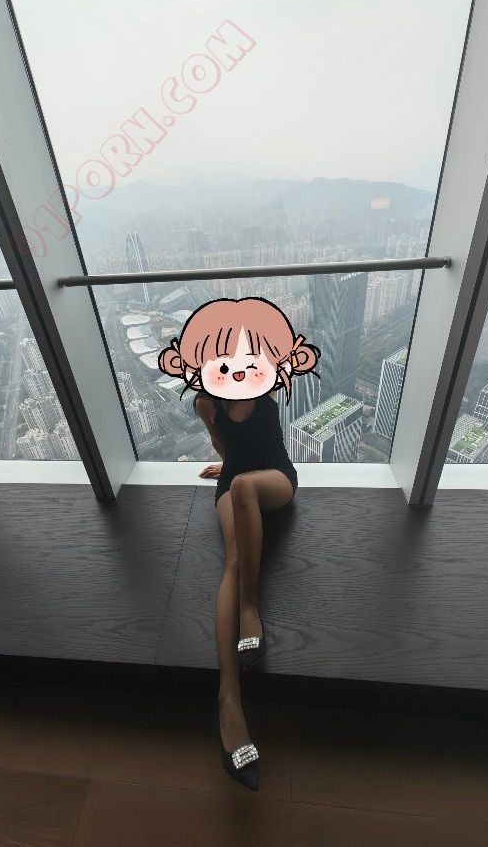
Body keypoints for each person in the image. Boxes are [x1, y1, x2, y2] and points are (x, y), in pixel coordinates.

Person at [157, 297, 320, 791]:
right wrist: (223, 466)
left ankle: (251, 607)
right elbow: (224, 445)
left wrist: (237, 470)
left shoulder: (265, 384)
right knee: (232, 559)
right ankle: (228, 699)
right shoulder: (206, 402)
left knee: (247, 485)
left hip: (275, 479)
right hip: (233, 481)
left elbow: (261, 445)